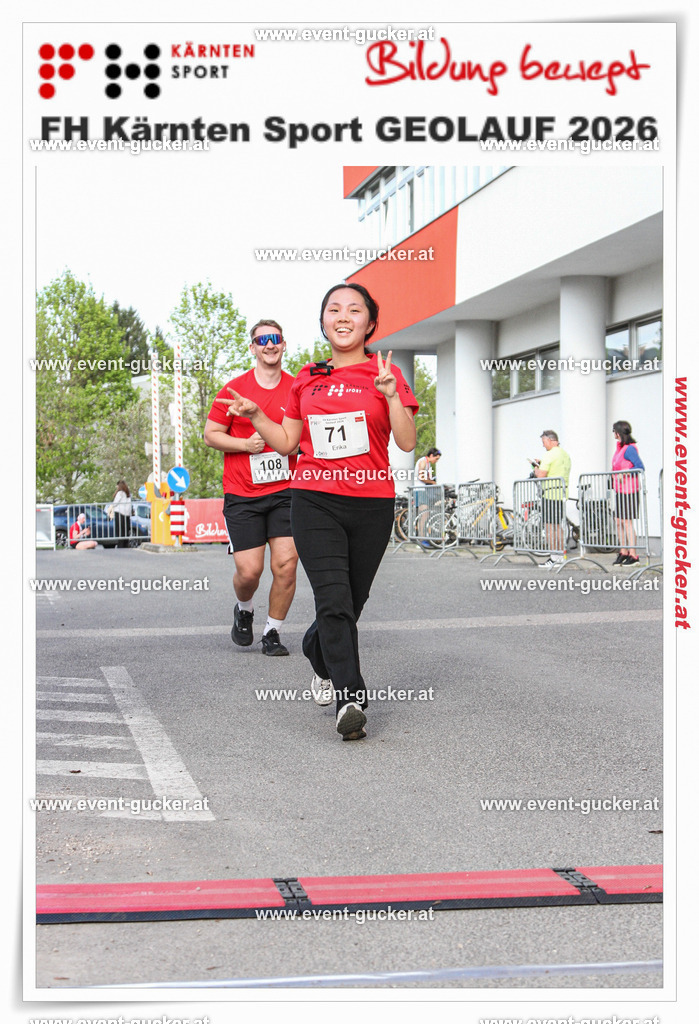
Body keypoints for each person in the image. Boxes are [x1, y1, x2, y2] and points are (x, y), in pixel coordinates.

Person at [221, 283, 418, 740]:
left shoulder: (386, 373)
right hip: (312, 500)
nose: (343, 316)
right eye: (334, 309)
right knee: (332, 600)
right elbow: (288, 442)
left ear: (370, 322)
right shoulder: (306, 378)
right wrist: (255, 416)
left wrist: (389, 394)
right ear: (324, 321)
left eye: (354, 310)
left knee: (352, 604)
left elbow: (406, 442)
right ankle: (351, 698)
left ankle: (315, 646)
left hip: (371, 502)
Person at [204, 319, 299, 656]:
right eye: (262, 340)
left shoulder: (297, 387)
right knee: (250, 571)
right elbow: (210, 434)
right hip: (243, 492)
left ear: (284, 344)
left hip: (287, 491)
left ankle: (272, 632)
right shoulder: (234, 389)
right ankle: (244, 609)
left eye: (275, 339)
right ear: (253, 348)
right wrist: (246, 445)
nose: (269, 345)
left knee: (286, 565)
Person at [533, 429, 571, 568]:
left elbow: (541, 475)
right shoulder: (565, 454)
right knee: (558, 526)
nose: (543, 445)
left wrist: (535, 468)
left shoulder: (549, 455)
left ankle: (554, 557)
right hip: (561, 494)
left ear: (550, 440)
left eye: (544, 442)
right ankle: (560, 556)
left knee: (549, 527)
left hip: (549, 494)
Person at [611, 420, 645, 565]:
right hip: (620, 490)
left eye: (614, 431)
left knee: (627, 522)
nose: (613, 433)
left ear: (618, 432)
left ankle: (633, 554)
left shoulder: (630, 448)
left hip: (629, 490)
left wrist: (624, 473)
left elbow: (640, 466)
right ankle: (623, 551)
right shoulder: (620, 448)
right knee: (618, 522)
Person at [413, 447, 442, 546]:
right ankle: (421, 539)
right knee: (424, 515)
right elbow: (421, 477)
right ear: (431, 456)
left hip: (422, 490)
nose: (436, 461)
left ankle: (422, 537)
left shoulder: (427, 463)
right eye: (436, 459)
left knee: (424, 515)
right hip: (420, 490)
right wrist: (432, 482)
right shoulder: (423, 462)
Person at [111, 480, 132, 548]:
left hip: (119, 512)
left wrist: (111, 507)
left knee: (119, 530)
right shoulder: (128, 493)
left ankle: (120, 544)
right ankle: (126, 544)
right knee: (125, 530)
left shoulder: (120, 493)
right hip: (127, 513)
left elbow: (115, 502)